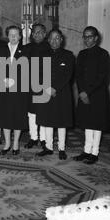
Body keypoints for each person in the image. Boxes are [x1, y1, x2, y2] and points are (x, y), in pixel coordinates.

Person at [73, 26, 110, 164]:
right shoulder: (82, 54)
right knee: (87, 123)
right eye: (85, 36)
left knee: (97, 124)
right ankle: (86, 150)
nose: (87, 39)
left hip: (97, 94)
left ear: (96, 38)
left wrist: (87, 92)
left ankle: (94, 152)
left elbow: (102, 77)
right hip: (84, 93)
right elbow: (78, 75)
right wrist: (82, 91)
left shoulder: (103, 54)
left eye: (90, 36)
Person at [35, 29, 75, 160]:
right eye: (52, 38)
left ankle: (62, 148)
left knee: (61, 121)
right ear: (48, 40)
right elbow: (39, 73)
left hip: (62, 93)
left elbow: (67, 75)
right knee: (47, 120)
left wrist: (55, 88)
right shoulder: (41, 54)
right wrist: (47, 88)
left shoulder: (69, 55)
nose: (54, 41)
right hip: (45, 91)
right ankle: (48, 147)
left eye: (57, 38)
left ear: (61, 40)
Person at [0, 25, 29, 155]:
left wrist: (14, 81)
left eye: (16, 34)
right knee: (5, 116)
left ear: (20, 36)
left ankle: (15, 144)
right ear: (7, 36)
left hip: (19, 89)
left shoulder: (25, 50)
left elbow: (28, 70)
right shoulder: (1, 49)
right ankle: (7, 143)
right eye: (11, 34)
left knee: (17, 116)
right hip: (4, 89)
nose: (13, 37)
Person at [23, 23, 49, 149]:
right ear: (31, 34)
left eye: (39, 32)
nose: (36, 34)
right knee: (31, 113)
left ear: (44, 34)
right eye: (34, 32)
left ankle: (43, 139)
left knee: (43, 112)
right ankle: (33, 137)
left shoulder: (50, 48)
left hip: (45, 84)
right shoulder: (26, 48)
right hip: (30, 85)